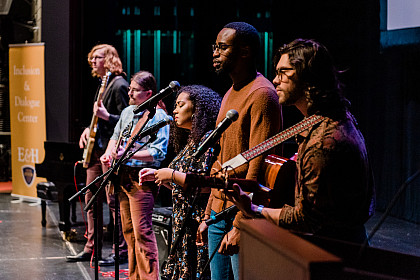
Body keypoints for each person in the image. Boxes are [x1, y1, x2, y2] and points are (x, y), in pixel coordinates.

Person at [226, 39, 376, 244]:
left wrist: (254, 209)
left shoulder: (322, 142)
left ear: (308, 76)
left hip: (330, 254)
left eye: (283, 72)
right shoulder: (335, 118)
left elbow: (305, 220)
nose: (275, 80)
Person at [197, 22, 282, 280]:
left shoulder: (262, 95)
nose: (215, 53)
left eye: (222, 47)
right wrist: (208, 215)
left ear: (245, 51)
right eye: (215, 47)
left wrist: (240, 226)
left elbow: (259, 167)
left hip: (240, 213)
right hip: (218, 213)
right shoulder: (229, 94)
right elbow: (221, 159)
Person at [140, 85, 222, 280]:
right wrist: (160, 176)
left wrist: (172, 175)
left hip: (196, 223)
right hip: (181, 223)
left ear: (197, 109)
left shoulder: (209, 140)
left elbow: (206, 185)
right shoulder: (191, 141)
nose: (174, 110)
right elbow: (182, 187)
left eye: (180, 105)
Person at [100, 70, 170, 280]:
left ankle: (150, 277)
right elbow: (115, 135)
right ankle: (134, 276)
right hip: (123, 176)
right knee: (129, 232)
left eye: (134, 90)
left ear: (148, 93)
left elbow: (158, 152)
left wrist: (128, 152)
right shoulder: (128, 111)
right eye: (130, 88)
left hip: (142, 178)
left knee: (143, 233)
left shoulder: (159, 117)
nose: (129, 93)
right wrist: (109, 152)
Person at [67, 44, 129, 263]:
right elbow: (98, 116)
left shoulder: (119, 84)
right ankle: (92, 246)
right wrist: (88, 128)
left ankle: (121, 250)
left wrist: (106, 117)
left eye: (98, 57)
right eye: (91, 58)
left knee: (113, 200)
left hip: (109, 150)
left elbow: (127, 120)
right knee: (90, 197)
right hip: (96, 148)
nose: (93, 61)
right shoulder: (103, 83)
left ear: (110, 58)